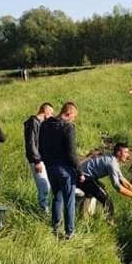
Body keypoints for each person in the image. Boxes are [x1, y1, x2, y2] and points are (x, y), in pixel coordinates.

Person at [39, 102, 81, 238]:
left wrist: (47, 162)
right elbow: (72, 154)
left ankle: (55, 229)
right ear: (68, 114)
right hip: (65, 169)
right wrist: (79, 171)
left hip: (50, 168)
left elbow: (41, 147)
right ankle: (70, 232)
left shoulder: (45, 125)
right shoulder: (68, 127)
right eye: (73, 117)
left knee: (57, 197)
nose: (73, 120)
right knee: (69, 200)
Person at [78, 142, 132, 215]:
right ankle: (109, 222)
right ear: (119, 152)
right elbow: (117, 187)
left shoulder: (113, 160)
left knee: (101, 188)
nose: (128, 155)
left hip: (87, 177)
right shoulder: (112, 163)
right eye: (126, 152)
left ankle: (85, 209)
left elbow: (123, 180)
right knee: (107, 201)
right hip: (82, 177)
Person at [24, 102, 55, 212]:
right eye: (51, 113)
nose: (51, 116)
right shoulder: (33, 122)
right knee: (44, 186)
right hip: (36, 160)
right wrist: (37, 161)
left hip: (40, 159)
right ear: (45, 111)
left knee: (46, 185)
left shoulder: (37, 123)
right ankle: (43, 211)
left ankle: (45, 209)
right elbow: (31, 143)